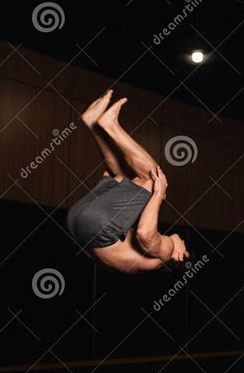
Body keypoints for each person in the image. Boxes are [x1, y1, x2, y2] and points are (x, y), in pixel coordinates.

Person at [67, 90, 190, 273]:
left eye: (186, 247)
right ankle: (93, 122)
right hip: (78, 225)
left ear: (180, 256)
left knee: (153, 178)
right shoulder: (142, 263)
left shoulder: (168, 252)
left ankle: (110, 125)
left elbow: (145, 235)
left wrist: (158, 193)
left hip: (99, 229)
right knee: (119, 174)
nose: (184, 241)